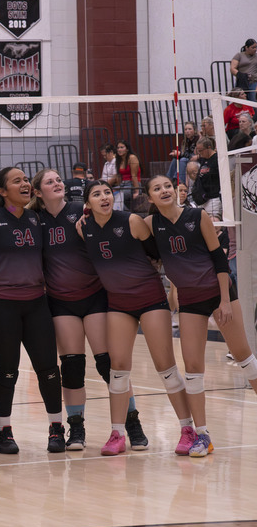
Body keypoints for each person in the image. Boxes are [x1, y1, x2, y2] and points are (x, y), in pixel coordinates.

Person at [29, 170, 147, 451]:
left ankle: (132, 423)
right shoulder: (35, 220)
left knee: (110, 366)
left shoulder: (82, 211)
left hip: (94, 296)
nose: (57, 183)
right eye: (50, 182)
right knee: (71, 368)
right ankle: (77, 429)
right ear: (37, 192)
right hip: (61, 302)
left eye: (59, 180)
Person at [145, 175, 257, 455]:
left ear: (176, 190)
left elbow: (219, 259)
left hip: (220, 296)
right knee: (193, 371)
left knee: (244, 358)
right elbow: (123, 227)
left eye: (167, 186)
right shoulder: (150, 224)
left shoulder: (198, 215)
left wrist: (225, 300)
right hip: (190, 302)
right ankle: (203, 436)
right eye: (157, 189)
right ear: (150, 198)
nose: (164, 191)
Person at [78, 181, 191, 455]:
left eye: (106, 192)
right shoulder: (83, 228)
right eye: (97, 194)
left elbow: (157, 255)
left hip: (150, 299)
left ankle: (187, 429)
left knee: (165, 367)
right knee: (117, 369)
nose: (104, 197)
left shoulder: (131, 221)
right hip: (118, 304)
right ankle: (117, 434)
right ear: (88, 203)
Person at [0, 167, 64, 454]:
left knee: (49, 369)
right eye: (18, 181)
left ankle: (56, 428)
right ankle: (4, 430)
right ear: (3, 191)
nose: (25, 183)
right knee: (6, 371)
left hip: (36, 302)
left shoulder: (36, 218)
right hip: (0, 304)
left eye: (27, 179)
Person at [190, 137, 222, 219]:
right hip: (203, 198)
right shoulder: (203, 160)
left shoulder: (217, 159)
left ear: (209, 147)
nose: (199, 153)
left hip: (213, 198)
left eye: (201, 150)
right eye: (198, 151)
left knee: (213, 222)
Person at [113, 140, 142, 212]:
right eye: (118, 148)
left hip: (133, 185)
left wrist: (137, 191)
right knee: (110, 193)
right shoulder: (119, 160)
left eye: (122, 147)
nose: (119, 149)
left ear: (127, 149)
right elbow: (119, 176)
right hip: (123, 185)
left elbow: (134, 175)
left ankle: (125, 212)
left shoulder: (132, 158)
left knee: (118, 195)